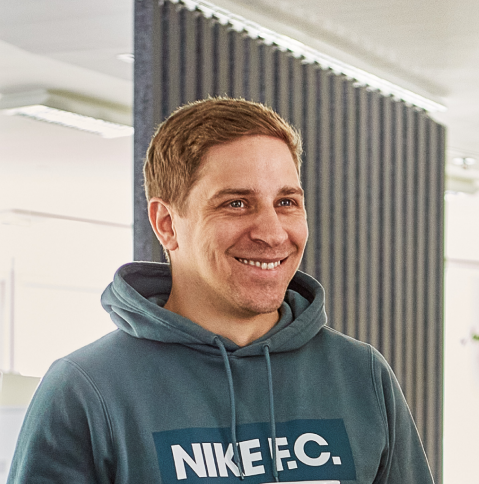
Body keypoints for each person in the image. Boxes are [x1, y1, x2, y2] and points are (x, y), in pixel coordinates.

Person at [8, 98, 435, 483]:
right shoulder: (88, 388)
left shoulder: (361, 374)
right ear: (167, 224)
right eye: (236, 203)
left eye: (286, 202)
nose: (272, 233)